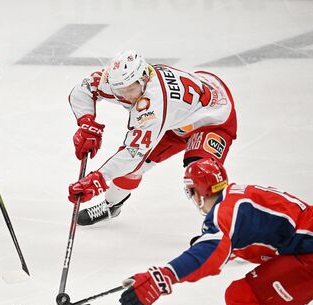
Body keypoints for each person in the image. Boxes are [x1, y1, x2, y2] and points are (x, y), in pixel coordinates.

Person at [118, 158, 313, 305]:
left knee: (241, 295)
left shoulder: (224, 212)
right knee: (269, 289)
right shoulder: (236, 199)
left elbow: (209, 253)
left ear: (197, 192)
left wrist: (163, 276)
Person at [67, 50, 237, 225]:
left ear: (144, 80)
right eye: (120, 90)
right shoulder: (122, 80)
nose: (125, 96)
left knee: (203, 174)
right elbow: (84, 89)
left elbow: (133, 153)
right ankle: (112, 205)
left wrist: (99, 178)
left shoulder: (153, 105)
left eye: (130, 90)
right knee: (133, 169)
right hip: (177, 118)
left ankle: (220, 226)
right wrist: (87, 123)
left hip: (213, 116)